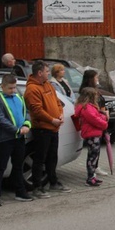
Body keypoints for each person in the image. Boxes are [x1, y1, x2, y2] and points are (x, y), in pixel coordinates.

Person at [24, 60, 69, 198]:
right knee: (39, 158)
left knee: (52, 157)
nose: (49, 74)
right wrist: (51, 119)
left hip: (54, 128)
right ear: (39, 73)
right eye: (47, 71)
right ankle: (37, 187)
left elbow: (57, 102)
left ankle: (53, 182)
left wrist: (60, 114)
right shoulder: (32, 89)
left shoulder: (48, 85)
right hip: (42, 129)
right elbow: (37, 110)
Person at [0, 74, 33, 206]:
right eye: (10, 88)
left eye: (14, 88)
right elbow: (0, 119)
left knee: (18, 166)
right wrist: (16, 129)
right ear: (2, 86)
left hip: (19, 138)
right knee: (0, 167)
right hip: (5, 139)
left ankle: (20, 192)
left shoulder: (18, 97)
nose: (13, 90)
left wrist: (26, 124)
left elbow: (25, 113)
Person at [74, 87, 108, 186]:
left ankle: (92, 176)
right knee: (92, 156)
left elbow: (96, 116)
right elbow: (95, 119)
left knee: (93, 156)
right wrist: (104, 122)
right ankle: (90, 178)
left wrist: (101, 116)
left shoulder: (88, 107)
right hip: (92, 134)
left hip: (93, 133)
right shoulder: (87, 108)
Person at [79, 69, 110, 175]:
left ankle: (94, 168)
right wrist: (103, 119)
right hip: (94, 125)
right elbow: (92, 116)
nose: (98, 80)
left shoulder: (96, 90)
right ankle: (91, 172)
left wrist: (105, 113)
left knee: (96, 149)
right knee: (93, 151)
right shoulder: (87, 93)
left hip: (100, 119)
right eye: (96, 77)